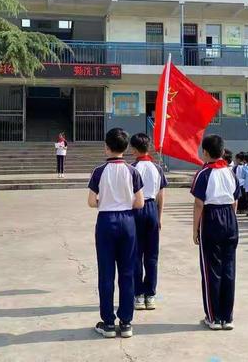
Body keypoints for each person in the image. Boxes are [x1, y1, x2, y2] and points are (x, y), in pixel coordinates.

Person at [88, 128, 144, 339]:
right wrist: (122, 201)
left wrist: (107, 201)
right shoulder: (132, 171)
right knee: (127, 272)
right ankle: (127, 322)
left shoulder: (99, 171)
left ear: (107, 147)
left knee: (106, 272)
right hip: (128, 221)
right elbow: (139, 202)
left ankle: (108, 323)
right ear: (126, 148)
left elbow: (91, 201)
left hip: (106, 221)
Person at [192, 135, 240, 331]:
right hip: (229, 216)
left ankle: (213, 316)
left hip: (211, 217)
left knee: (211, 268)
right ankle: (226, 317)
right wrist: (231, 220)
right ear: (222, 152)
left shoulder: (204, 174)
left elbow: (198, 203)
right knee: (229, 269)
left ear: (205, 152)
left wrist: (195, 228)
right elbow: (236, 199)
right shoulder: (231, 173)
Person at [130, 133, 167, 311]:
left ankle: (138, 294)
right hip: (152, 208)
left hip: (136, 209)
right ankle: (150, 295)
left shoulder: (132, 168)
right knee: (152, 255)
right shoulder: (157, 168)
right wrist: (159, 217)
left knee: (135, 254)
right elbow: (161, 194)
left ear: (134, 149)